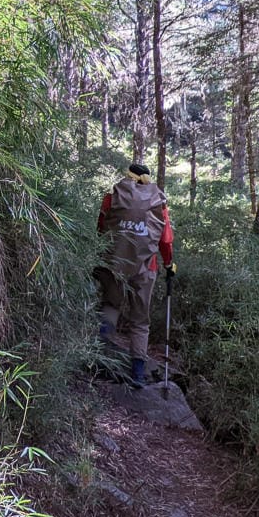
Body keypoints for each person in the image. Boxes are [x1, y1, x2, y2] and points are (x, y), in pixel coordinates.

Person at [96, 163, 175, 385]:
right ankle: (138, 373)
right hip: (146, 268)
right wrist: (169, 263)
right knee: (140, 320)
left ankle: (99, 360)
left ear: (129, 176)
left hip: (115, 265)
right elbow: (165, 239)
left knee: (111, 307)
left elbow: (101, 228)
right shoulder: (158, 201)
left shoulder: (113, 196)